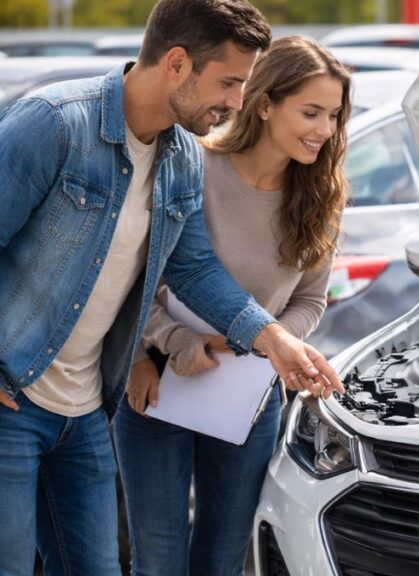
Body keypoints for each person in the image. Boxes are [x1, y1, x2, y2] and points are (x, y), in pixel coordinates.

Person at [0, 1, 343, 574]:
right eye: (229, 82)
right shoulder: (55, 123)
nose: (238, 102)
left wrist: (275, 340)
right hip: (12, 396)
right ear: (177, 63)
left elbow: (193, 270)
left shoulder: (181, 157)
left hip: (84, 410)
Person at [113, 36, 351, 575]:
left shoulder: (321, 197)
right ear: (264, 105)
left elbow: (311, 299)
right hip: (158, 382)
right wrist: (149, 352)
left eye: (334, 115)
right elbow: (133, 274)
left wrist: (268, 344)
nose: (325, 129)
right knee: (158, 558)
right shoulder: (191, 165)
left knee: (224, 558)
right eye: (310, 112)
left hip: (250, 394)